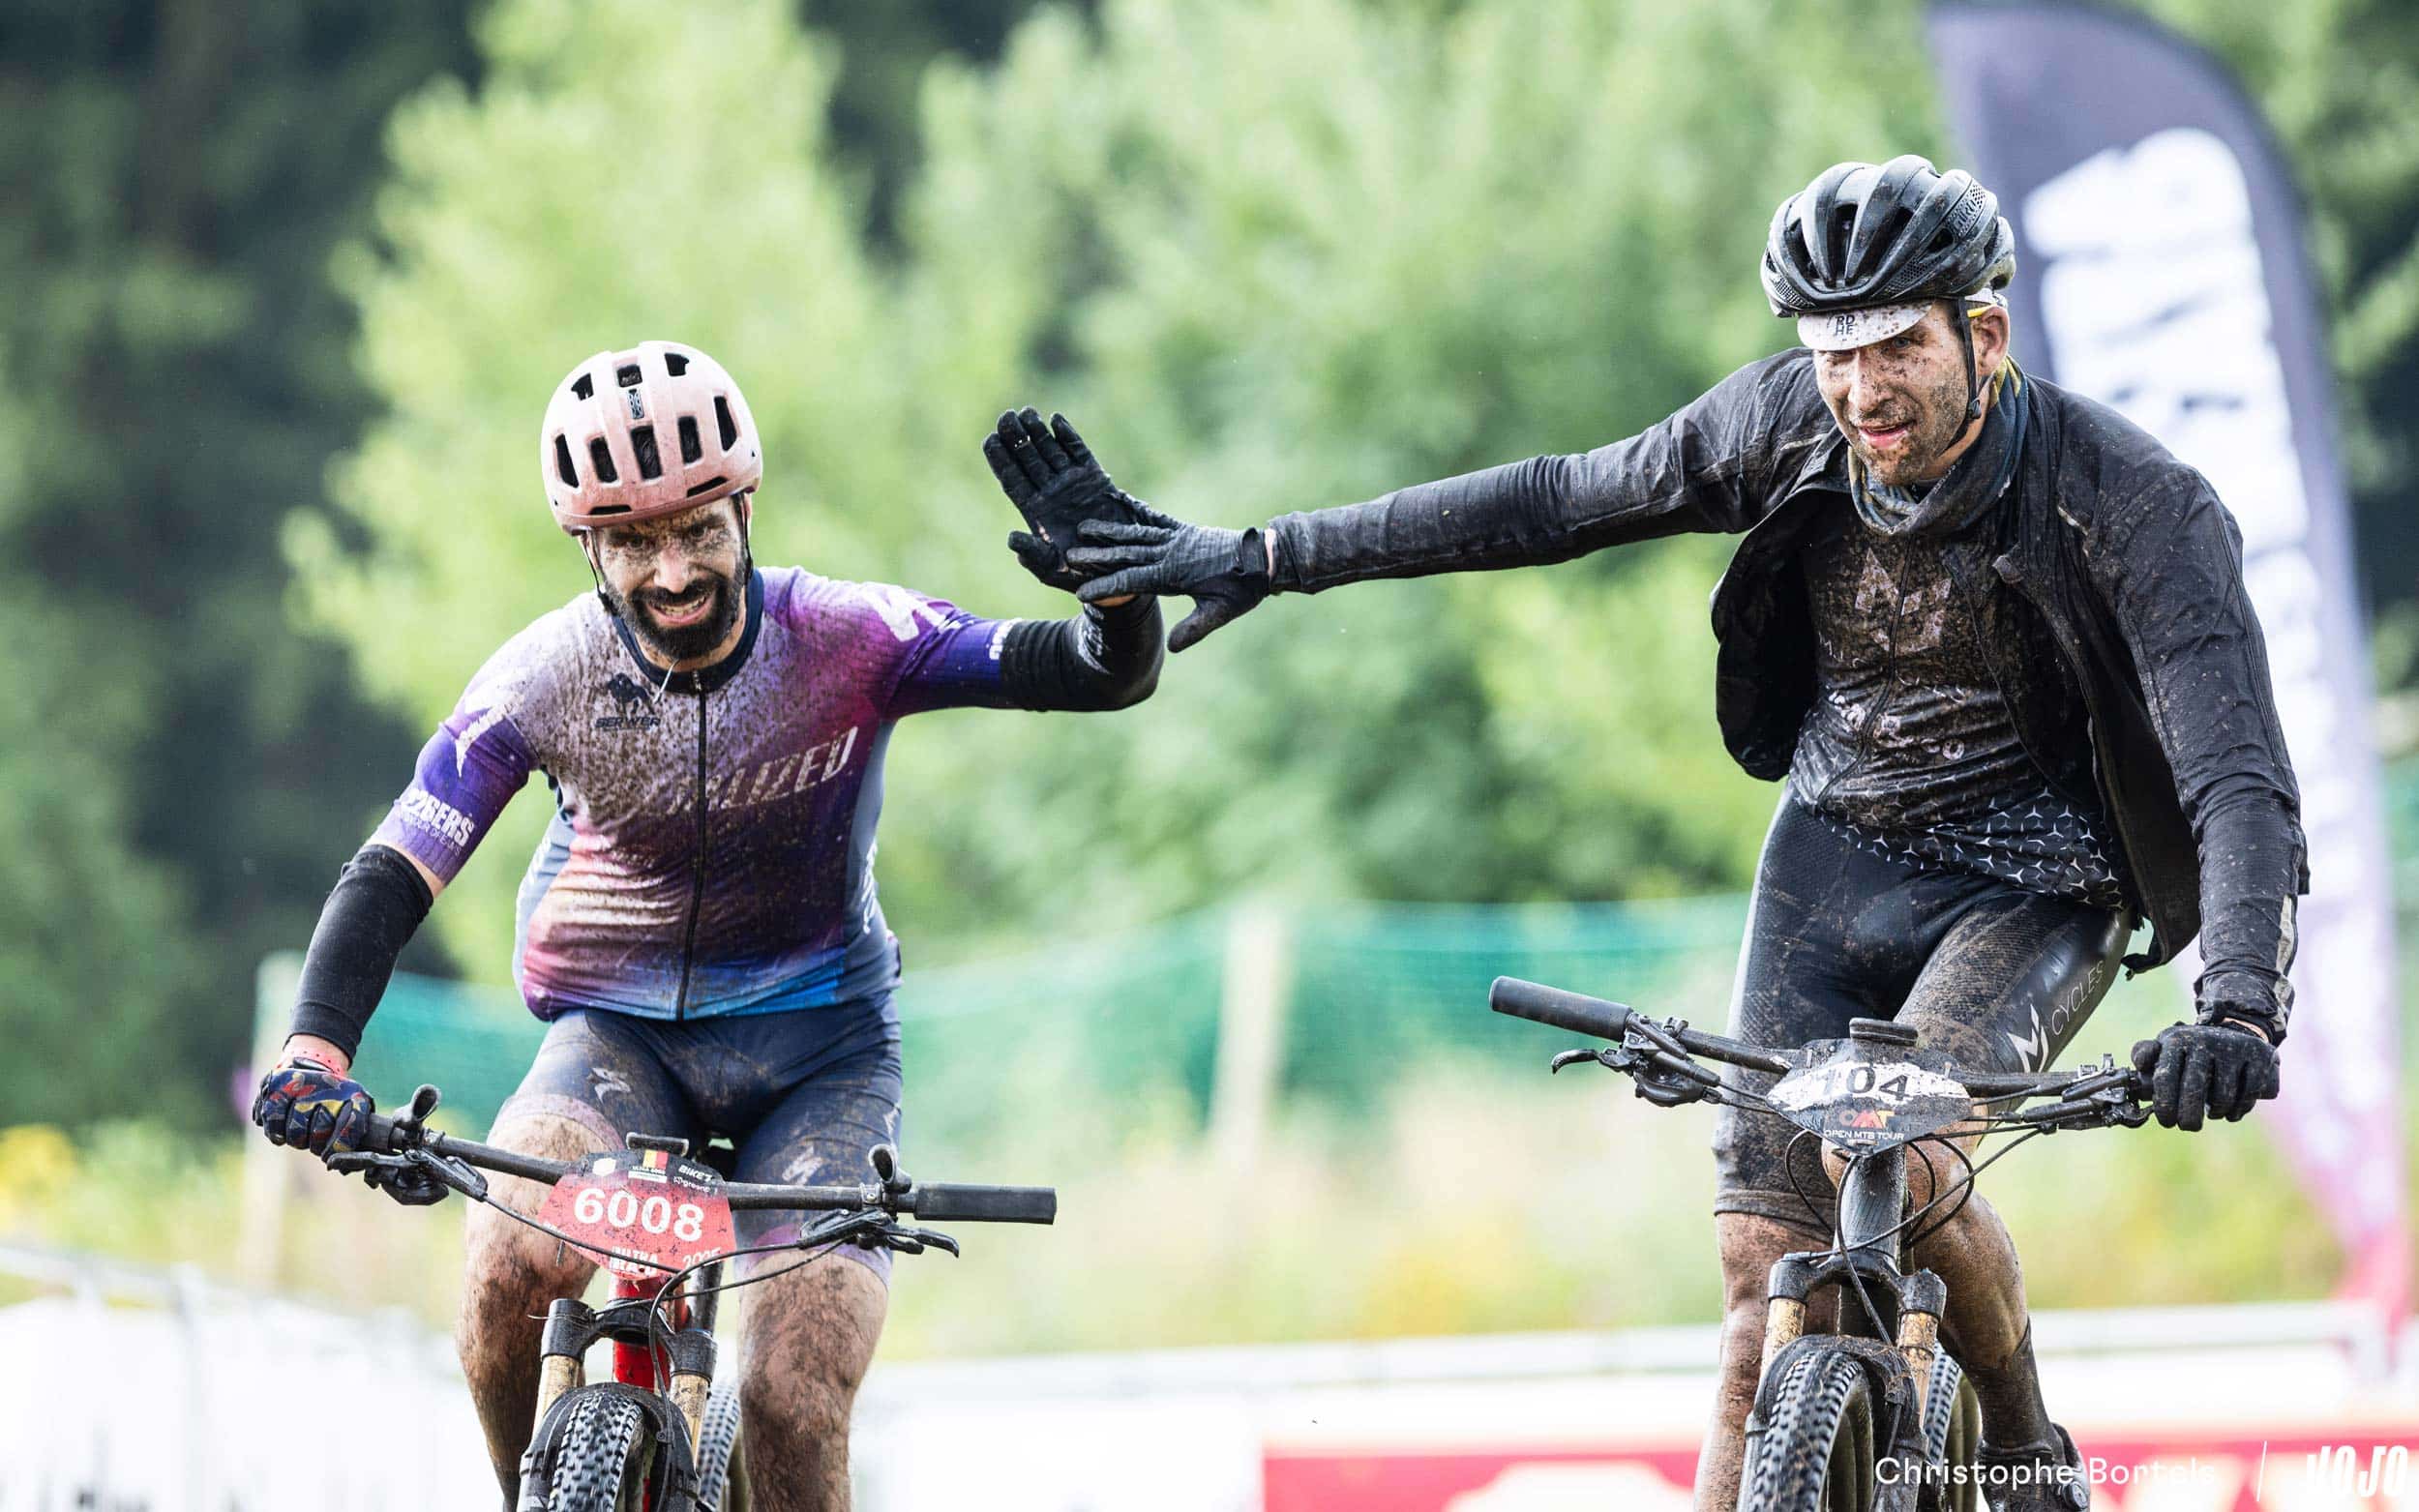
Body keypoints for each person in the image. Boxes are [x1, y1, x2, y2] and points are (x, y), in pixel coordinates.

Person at [1041, 158, 2301, 1511]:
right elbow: (1552, 500)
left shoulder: (2132, 501)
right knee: (1761, 1283)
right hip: (1837, 848)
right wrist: (1263, 554)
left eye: (1896, 347)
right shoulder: (1784, 428)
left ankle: (2021, 1444)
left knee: (1895, 1151)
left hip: (2038, 879)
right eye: (1831, 353)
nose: (1860, 390)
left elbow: (2237, 779)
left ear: (1982, 335)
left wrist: (2235, 1006)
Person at [250, 341, 1159, 1510]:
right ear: (588, 549)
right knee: (505, 1268)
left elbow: (1096, 672)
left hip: (819, 1058)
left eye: (697, 529)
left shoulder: (853, 636)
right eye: (633, 541)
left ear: (745, 510)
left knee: (790, 1394)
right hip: (615, 1044)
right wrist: (316, 1053)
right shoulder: (542, 676)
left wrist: (1115, 591)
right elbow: (394, 870)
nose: (673, 571)